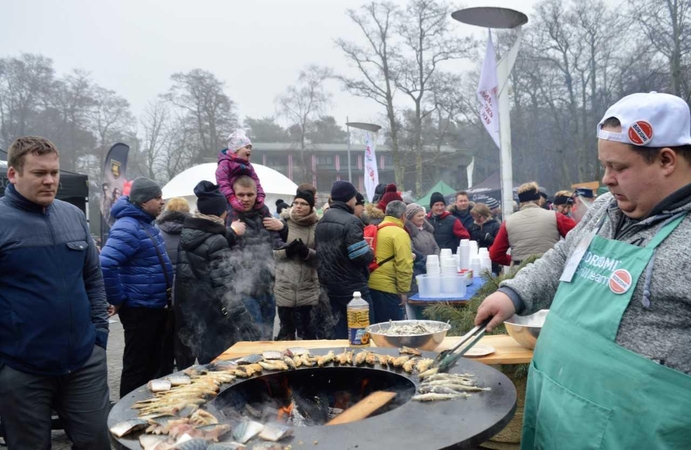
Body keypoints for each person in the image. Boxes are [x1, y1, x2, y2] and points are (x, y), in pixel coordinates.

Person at [476, 92, 691, 449]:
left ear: (666, 160)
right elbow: (562, 256)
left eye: (619, 168)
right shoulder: (606, 208)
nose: (605, 180)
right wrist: (514, 293)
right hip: (558, 410)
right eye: (604, 165)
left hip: (635, 431)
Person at [0, 136, 110, 449]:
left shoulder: (72, 216)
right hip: (21, 369)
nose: (50, 181)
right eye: (39, 173)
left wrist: (99, 336)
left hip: (83, 361)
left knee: (98, 442)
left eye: (55, 172)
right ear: (13, 174)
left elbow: (93, 277)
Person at [100, 177, 174, 397]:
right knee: (137, 366)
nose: (162, 202)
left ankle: (146, 411)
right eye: (157, 198)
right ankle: (127, 415)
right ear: (143, 202)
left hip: (153, 307)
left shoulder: (145, 223)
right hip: (140, 309)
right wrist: (119, 298)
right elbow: (106, 263)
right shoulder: (128, 226)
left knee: (153, 365)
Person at [175, 181, 257, 364]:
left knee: (200, 367)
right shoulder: (216, 240)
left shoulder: (188, 233)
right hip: (214, 317)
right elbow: (225, 287)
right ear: (222, 212)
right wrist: (245, 322)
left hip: (192, 312)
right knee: (219, 368)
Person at [226, 175, 284, 340]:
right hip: (244, 289)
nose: (245, 199)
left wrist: (283, 227)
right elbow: (226, 251)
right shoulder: (230, 216)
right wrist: (230, 232)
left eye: (250, 194)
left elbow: (279, 243)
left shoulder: (264, 212)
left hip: (267, 286)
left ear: (256, 194)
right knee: (254, 338)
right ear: (234, 195)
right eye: (241, 195)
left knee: (267, 338)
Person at [315, 181, 374, 337]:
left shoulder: (322, 221)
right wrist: (370, 252)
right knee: (362, 333)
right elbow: (359, 255)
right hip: (353, 289)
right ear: (350, 198)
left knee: (338, 334)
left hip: (329, 288)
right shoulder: (351, 221)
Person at [489, 182, 575, 268]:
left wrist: (514, 261)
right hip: (549, 267)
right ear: (539, 200)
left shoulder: (508, 222)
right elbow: (578, 237)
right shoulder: (556, 217)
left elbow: (495, 255)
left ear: (520, 202)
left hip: (520, 271)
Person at [274, 189, 320, 340]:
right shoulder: (283, 224)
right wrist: (287, 252)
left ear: (311, 206)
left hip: (308, 287)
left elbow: (321, 258)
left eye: (304, 204)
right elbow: (271, 253)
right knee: (286, 334)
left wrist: (306, 252)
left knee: (308, 335)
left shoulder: (317, 226)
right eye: (296, 203)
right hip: (285, 286)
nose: (299, 206)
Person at [156, 196, 191, 372]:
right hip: (186, 289)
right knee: (185, 334)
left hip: (165, 289)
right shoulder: (191, 231)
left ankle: (166, 371)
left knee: (166, 334)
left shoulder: (157, 231)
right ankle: (186, 368)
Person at [367, 201, 414, 322]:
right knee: (391, 329)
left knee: (376, 327)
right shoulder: (399, 233)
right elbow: (404, 264)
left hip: (370, 284)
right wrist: (403, 290)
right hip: (388, 287)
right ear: (403, 215)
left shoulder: (377, 228)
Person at [216, 129, 267, 213]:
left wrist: (260, 195)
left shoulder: (249, 166)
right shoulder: (225, 164)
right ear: (236, 150)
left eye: (250, 148)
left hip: (244, 197)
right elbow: (222, 183)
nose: (249, 150)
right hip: (229, 200)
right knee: (231, 214)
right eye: (246, 147)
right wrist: (231, 198)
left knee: (263, 210)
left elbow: (256, 182)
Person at [404, 203, 439, 292]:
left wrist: (435, 258)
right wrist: (425, 260)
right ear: (410, 218)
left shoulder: (427, 230)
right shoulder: (409, 233)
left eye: (422, 215)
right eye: (418, 216)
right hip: (418, 269)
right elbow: (412, 250)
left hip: (433, 267)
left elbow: (436, 246)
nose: (421, 218)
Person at [468, 203, 501, 274]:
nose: (476, 219)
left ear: (485, 215)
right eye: (474, 217)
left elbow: (499, 243)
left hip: (491, 261)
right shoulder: (471, 227)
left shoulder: (494, 225)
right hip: (475, 261)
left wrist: (486, 237)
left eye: (479, 217)